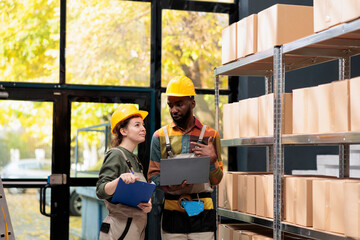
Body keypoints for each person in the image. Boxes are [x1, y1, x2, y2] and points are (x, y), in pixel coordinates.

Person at [147, 76, 223, 240]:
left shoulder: (211, 135)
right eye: (170, 105)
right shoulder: (159, 137)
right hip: (172, 212)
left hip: (203, 211)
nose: (173, 110)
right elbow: (152, 176)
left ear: (192, 103)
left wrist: (212, 161)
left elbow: (217, 180)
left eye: (179, 104)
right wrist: (167, 185)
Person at [96, 104, 152, 240]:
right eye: (137, 125)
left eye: (143, 125)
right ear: (123, 131)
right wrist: (119, 180)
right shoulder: (116, 154)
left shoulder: (135, 159)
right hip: (119, 230)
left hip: (135, 229)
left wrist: (147, 205)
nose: (143, 129)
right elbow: (101, 190)